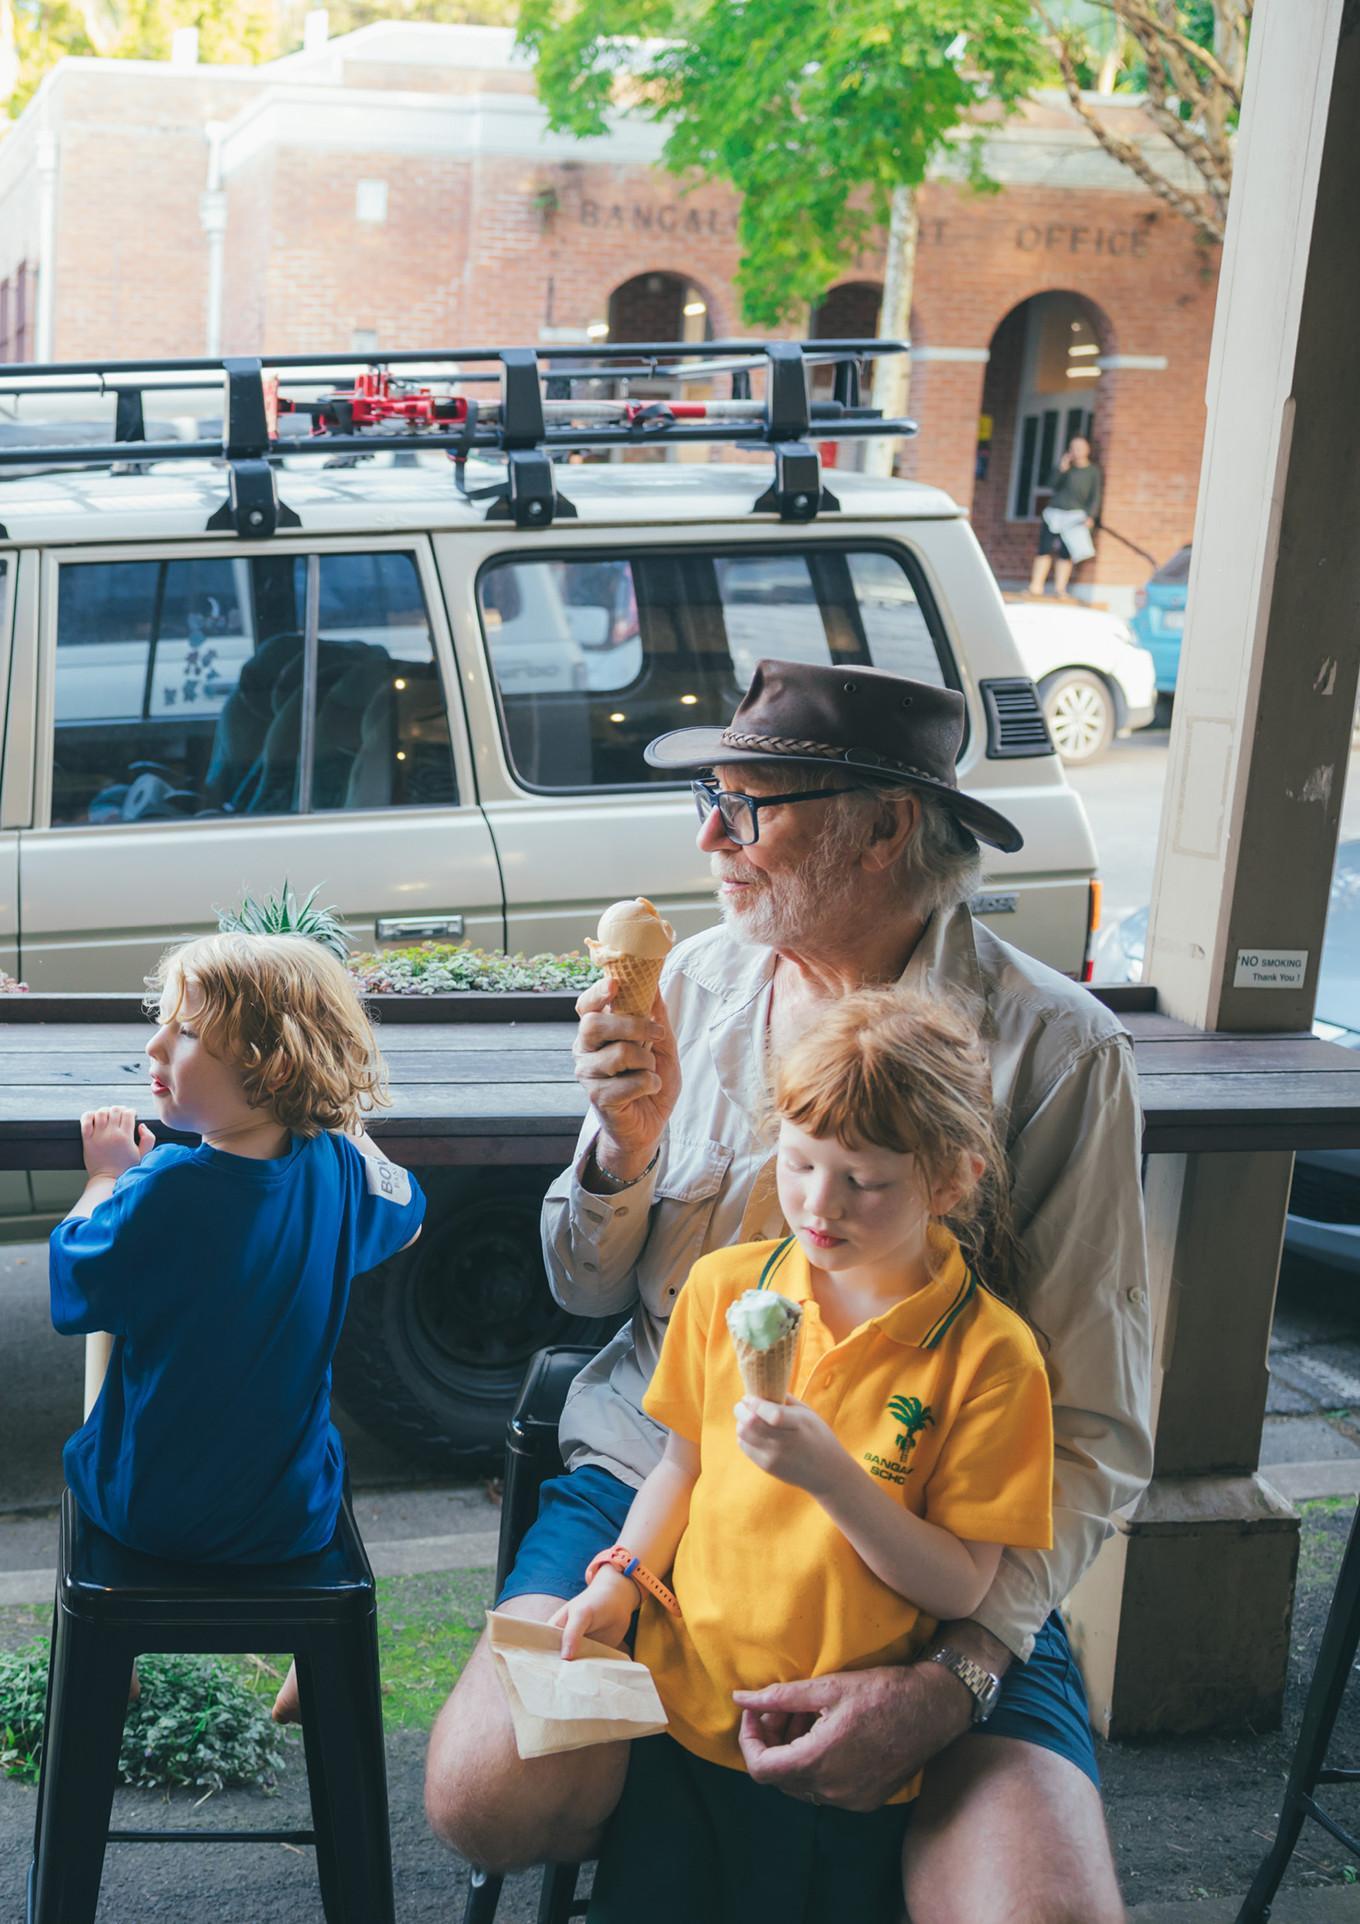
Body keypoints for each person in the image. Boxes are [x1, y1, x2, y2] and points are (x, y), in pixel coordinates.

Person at [425, 659, 1150, 1924]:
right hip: (660, 1478)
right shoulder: (690, 991)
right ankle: (680, 1766)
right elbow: (584, 1295)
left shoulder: (1054, 1054)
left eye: (751, 805)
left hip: (919, 1536)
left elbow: (1096, 1429)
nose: (709, 834)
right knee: (483, 1794)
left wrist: (963, 1673)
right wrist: (622, 1147)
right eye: (711, 796)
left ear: (885, 827)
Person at [551, 987, 1054, 1921]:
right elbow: (680, 1469)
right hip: (685, 1709)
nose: (819, 1206)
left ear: (950, 1181)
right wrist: (619, 1580)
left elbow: (960, 1588)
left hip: (837, 1748)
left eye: (863, 1181)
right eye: (798, 1163)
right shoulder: (723, 1289)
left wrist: (832, 1476)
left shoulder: (990, 1357)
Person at [50, 930, 425, 1711]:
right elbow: (408, 1209)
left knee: (101, 1375)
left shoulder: (165, 1191)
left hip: (148, 1511)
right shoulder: (337, 1167)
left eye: (184, 1033)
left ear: (271, 1067)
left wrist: (106, 1176)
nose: (154, 1044)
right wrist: (349, 1126)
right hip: (289, 1514)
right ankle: (307, 1670)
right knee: (316, 1431)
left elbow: (74, 1268)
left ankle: (109, 1657)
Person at [1028, 435, 1103, 598]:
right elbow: (1051, 485)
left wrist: (1091, 516)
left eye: (1079, 448)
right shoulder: (1065, 469)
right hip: (1055, 513)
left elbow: (1095, 496)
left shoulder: (1093, 472)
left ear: (1087, 449)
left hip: (1075, 516)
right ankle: (1036, 586)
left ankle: (1060, 588)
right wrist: (1061, 469)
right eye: (1073, 448)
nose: (1076, 451)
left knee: (1066, 552)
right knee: (1044, 548)